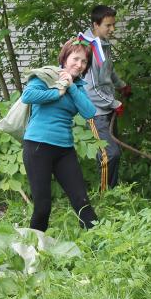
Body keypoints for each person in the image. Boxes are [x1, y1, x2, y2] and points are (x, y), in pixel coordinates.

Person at [21, 38, 98, 232]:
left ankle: (100, 243)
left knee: (82, 200)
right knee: (43, 205)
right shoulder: (47, 76)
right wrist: (57, 92)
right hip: (38, 146)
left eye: (84, 62)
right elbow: (28, 96)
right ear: (65, 58)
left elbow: (89, 112)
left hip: (64, 149)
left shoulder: (78, 87)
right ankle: (35, 248)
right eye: (76, 59)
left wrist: (70, 86)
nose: (79, 65)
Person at [79, 5, 130, 190]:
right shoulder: (88, 49)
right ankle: (105, 195)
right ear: (95, 25)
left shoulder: (103, 44)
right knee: (110, 153)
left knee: (113, 152)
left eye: (113, 25)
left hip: (108, 107)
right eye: (108, 25)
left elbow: (109, 70)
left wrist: (122, 85)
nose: (112, 29)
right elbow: (90, 88)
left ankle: (113, 190)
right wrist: (114, 103)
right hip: (96, 111)